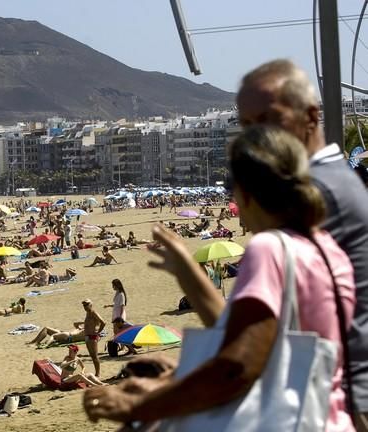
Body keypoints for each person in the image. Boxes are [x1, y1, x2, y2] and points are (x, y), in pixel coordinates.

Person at [83, 126, 356, 430]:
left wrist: (141, 405)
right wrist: (179, 368)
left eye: (232, 189)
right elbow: (259, 342)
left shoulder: (270, 248)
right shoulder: (329, 251)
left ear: (248, 192)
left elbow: (237, 367)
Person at [237, 59, 368, 427]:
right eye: (246, 125)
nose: (255, 138)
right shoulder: (335, 179)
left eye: (267, 120)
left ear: (311, 116)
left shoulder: (315, 192)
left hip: (340, 398)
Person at [82, 299, 106, 377]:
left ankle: (98, 373)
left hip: (92, 336)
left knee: (95, 356)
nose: (85, 306)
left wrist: (98, 332)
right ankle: (97, 372)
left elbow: (103, 322)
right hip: (87, 336)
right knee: (92, 356)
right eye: (84, 305)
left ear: (91, 304)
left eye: (86, 305)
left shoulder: (93, 312)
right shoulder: (87, 313)